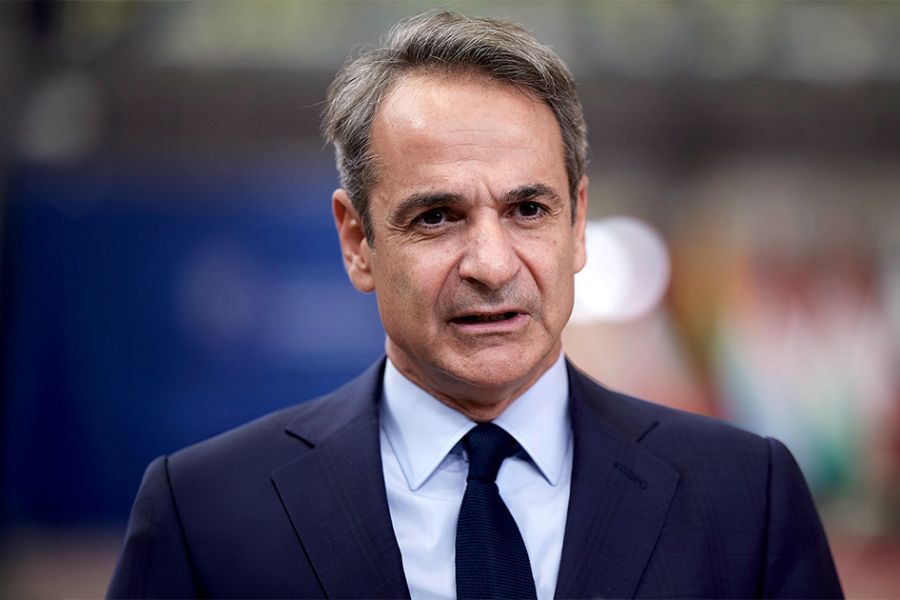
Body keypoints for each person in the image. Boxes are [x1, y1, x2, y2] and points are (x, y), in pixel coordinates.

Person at [108, 11, 843, 599]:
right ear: (358, 241)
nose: (491, 266)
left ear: (577, 226)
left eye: (528, 210)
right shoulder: (203, 513)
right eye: (437, 217)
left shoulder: (746, 499)